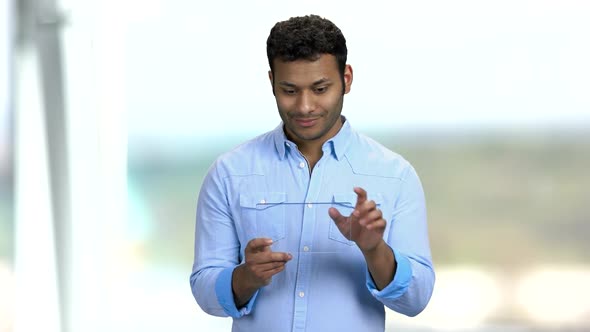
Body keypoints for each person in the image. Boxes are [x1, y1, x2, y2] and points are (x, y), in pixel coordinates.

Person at [190, 14, 435, 332]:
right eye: (289, 90)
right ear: (271, 83)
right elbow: (204, 290)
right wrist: (245, 277)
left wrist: (374, 249)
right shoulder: (229, 173)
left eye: (320, 89)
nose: (305, 106)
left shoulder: (395, 176)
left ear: (346, 79)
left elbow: (416, 300)